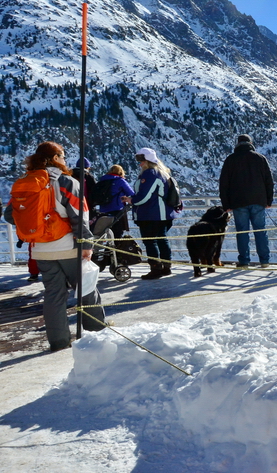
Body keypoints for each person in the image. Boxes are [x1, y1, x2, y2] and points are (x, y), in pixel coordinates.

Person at [3, 141, 106, 351]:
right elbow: (80, 217)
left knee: (53, 295)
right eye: (63, 156)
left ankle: (59, 342)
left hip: (41, 250)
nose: (65, 161)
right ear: (56, 158)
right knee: (86, 287)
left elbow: (10, 215)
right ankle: (98, 334)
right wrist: (86, 243)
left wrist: (37, 223)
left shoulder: (24, 182)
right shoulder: (67, 182)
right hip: (69, 247)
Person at [219, 134, 275, 268]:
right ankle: (265, 261)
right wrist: (269, 200)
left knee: (242, 232)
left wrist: (226, 204)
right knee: (260, 230)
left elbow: (224, 184)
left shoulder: (230, 160)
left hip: (238, 202)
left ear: (237, 144)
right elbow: (269, 181)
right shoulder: (260, 158)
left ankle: (244, 261)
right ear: (250, 143)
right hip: (258, 200)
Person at [129, 147, 176, 279]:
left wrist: (131, 200)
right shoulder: (162, 173)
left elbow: (144, 196)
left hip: (151, 214)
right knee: (162, 239)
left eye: (141, 160)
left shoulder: (150, 174)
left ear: (148, 160)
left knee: (150, 241)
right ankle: (166, 266)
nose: (140, 163)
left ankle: (155, 268)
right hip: (164, 214)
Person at [93, 164, 135, 239]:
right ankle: (115, 249)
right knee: (117, 232)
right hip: (117, 210)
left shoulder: (102, 180)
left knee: (105, 233)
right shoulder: (120, 181)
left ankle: (107, 249)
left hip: (103, 211)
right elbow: (131, 193)